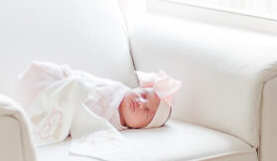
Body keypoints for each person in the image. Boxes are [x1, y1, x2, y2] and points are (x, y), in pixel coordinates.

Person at [16, 61, 181, 147]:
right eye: (143, 95)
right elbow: (90, 83)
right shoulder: (115, 90)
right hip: (66, 84)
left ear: (141, 127)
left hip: (68, 110)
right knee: (50, 79)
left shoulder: (116, 127)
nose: (140, 103)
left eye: (146, 112)